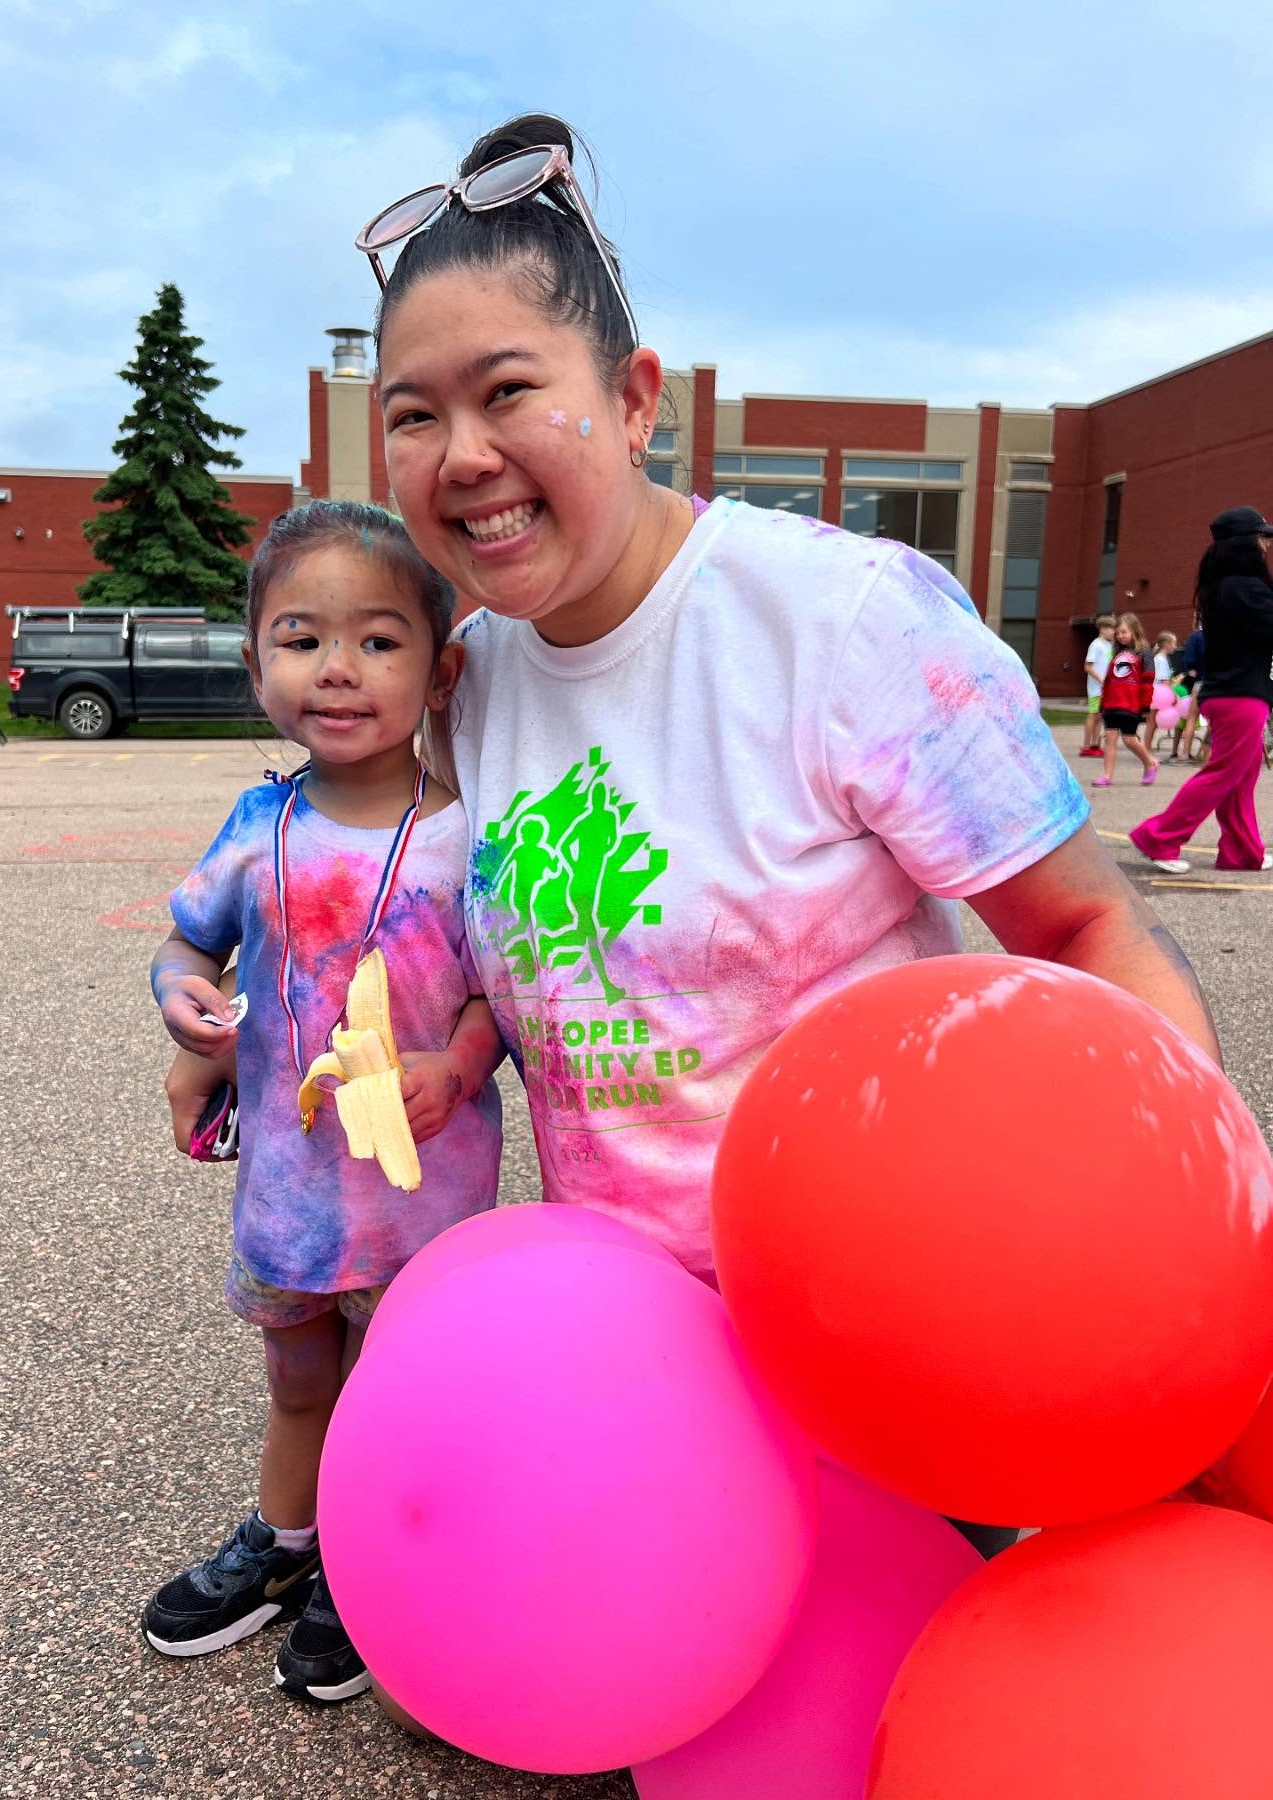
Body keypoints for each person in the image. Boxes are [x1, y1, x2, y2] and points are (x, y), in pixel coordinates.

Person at [166, 101, 1223, 1642]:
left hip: (907, 1332)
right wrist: (235, 1042)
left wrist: (1177, 1262)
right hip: (642, 1373)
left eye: (509, 390)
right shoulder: (468, 674)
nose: (464, 458)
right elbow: (358, 890)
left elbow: (1083, 928)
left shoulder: (847, 625)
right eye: (411, 413)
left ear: (635, 393)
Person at [143, 502, 503, 1701]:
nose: (337, 669)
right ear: (258, 668)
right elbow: (186, 951)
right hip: (290, 1205)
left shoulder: (469, 843)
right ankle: (285, 1544)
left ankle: (367, 1567)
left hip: (419, 1209)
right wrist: (187, 1010)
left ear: (441, 670)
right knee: (298, 1384)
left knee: (399, 1396)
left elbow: (495, 1001)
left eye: (379, 642)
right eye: (301, 640)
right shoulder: (261, 826)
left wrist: (452, 1068)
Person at [1130, 507, 1273, 874]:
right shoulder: (1247, 589)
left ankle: (1243, 852)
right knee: (1225, 773)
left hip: (1230, 692)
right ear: (1244, 543)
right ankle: (1160, 837)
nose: (1265, 545)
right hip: (1242, 695)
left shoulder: (1221, 587)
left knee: (1242, 773)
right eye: (1261, 537)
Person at [1092, 613, 1159, 787]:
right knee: (1110, 738)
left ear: (1135, 631)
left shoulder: (1144, 652)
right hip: (1111, 704)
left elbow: (1148, 681)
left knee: (1129, 739)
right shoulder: (1116, 654)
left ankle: (1150, 763)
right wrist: (1102, 704)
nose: (1121, 636)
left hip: (1131, 705)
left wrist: (1145, 706)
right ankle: (1107, 776)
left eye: (1124, 632)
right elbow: (1108, 680)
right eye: (1118, 633)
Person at [1169, 621, 1206, 763]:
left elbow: (1189, 659)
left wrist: (1191, 667)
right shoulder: (1220, 634)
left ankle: (1185, 753)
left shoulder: (1195, 637)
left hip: (1200, 683)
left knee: (1191, 718)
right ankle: (1206, 754)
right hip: (1218, 683)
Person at [1081, 615, 1115, 758]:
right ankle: (1086, 746)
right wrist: (1101, 680)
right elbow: (1087, 667)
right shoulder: (1095, 645)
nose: (1114, 632)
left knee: (1099, 716)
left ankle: (1095, 744)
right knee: (1093, 714)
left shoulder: (1108, 645)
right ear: (1102, 629)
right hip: (1096, 688)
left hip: (1105, 688)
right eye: (1111, 629)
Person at [1142, 631, 1179, 753]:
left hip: (1157, 695)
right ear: (1166, 644)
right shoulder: (1161, 659)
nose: (1175, 646)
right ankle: (1146, 748)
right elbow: (1164, 682)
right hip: (1157, 695)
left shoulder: (1162, 658)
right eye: (1173, 644)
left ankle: (1147, 747)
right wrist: (1173, 695)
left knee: (1152, 723)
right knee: (1152, 723)